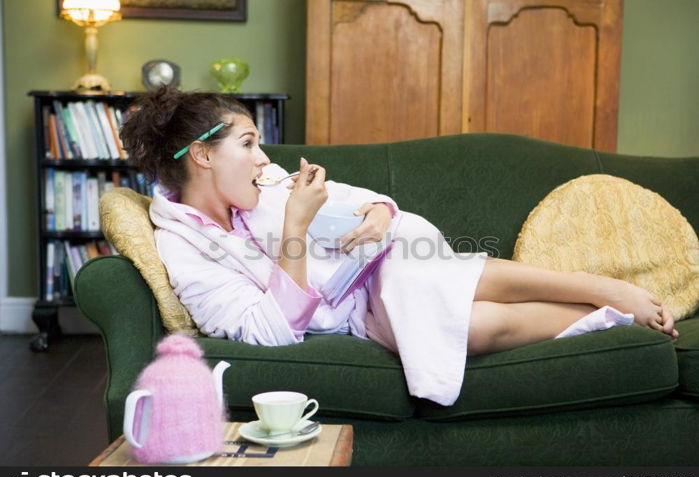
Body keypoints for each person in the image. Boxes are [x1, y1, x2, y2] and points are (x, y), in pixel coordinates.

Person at [120, 86, 678, 406]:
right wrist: (295, 228)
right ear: (202, 155)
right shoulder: (184, 248)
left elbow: (371, 201)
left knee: (429, 268)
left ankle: (604, 290)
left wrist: (378, 213)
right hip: (360, 309)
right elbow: (270, 332)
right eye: (249, 144)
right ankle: (605, 313)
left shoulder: (262, 188)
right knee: (476, 326)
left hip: (386, 262)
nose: (265, 158)